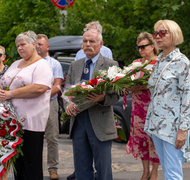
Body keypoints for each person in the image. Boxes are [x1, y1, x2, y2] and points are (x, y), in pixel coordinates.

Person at [64, 27, 119, 180]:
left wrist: (102, 98)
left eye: (92, 41)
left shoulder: (110, 65)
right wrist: (67, 105)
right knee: (81, 168)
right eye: (85, 41)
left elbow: (117, 95)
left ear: (101, 44)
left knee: (103, 169)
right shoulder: (75, 65)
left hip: (100, 121)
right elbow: (66, 90)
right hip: (78, 121)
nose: (87, 44)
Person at [144, 20, 190, 180]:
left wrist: (183, 129)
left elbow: (187, 98)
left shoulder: (182, 62)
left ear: (174, 34)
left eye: (162, 33)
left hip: (173, 128)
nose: (158, 37)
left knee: (173, 174)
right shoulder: (158, 61)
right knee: (167, 170)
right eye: (155, 34)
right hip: (157, 125)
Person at [0, 30, 53, 180]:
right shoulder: (16, 63)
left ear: (34, 44)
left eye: (23, 44)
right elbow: (4, 82)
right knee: (18, 164)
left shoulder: (42, 65)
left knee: (31, 163)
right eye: (18, 46)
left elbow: (39, 87)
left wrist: (10, 94)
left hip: (31, 122)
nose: (20, 48)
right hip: (11, 121)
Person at [126, 32, 160, 180]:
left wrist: (142, 86)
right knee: (141, 140)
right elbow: (127, 79)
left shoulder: (159, 63)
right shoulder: (136, 63)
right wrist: (126, 85)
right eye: (138, 47)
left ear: (152, 46)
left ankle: (155, 171)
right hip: (138, 109)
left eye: (143, 47)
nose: (140, 50)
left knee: (154, 140)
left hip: (154, 108)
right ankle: (145, 170)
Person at [37, 34, 64, 180]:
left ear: (47, 47)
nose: (38, 46)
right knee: (33, 138)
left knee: (52, 137)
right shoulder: (29, 63)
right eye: (36, 44)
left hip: (50, 103)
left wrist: (43, 96)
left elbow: (58, 85)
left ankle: (53, 169)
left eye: (41, 44)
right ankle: (34, 169)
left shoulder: (54, 64)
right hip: (32, 104)